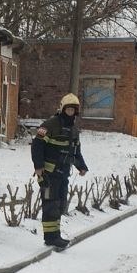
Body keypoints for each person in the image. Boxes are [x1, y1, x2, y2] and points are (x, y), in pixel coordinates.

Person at [31, 92, 88, 250]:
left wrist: (81, 166)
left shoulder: (74, 130)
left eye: (73, 110)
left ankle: (56, 235)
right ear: (62, 109)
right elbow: (37, 145)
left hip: (63, 173)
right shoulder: (49, 125)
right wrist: (38, 167)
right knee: (51, 204)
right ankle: (51, 238)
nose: (70, 112)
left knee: (60, 204)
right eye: (68, 109)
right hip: (49, 174)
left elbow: (75, 151)